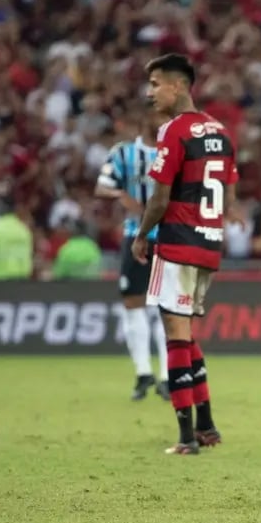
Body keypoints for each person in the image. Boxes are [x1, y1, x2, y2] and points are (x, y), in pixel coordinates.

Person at [132, 53, 240, 455]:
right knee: (188, 335)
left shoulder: (174, 130)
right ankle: (207, 425)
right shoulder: (222, 133)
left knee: (175, 338)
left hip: (177, 242)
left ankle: (184, 437)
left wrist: (142, 235)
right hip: (210, 244)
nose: (150, 92)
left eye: (156, 84)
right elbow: (229, 194)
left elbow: (159, 197)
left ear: (178, 86)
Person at [95, 113, 169, 401]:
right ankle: (142, 373)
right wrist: (120, 195)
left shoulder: (173, 151)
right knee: (133, 303)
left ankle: (165, 376)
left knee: (165, 308)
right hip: (134, 235)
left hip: (167, 238)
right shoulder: (123, 152)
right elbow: (101, 185)